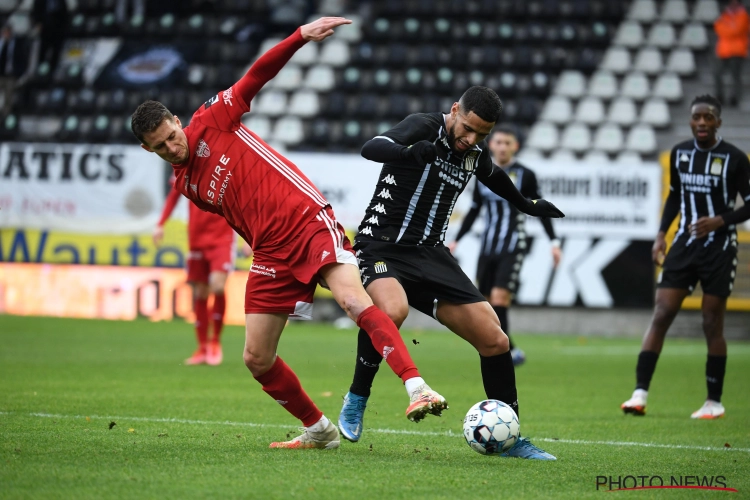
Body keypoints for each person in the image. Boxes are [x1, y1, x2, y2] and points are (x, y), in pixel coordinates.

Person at [131, 17, 447, 450]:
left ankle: (417, 387)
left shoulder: (214, 118)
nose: (172, 147)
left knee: (354, 301)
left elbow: (256, 74)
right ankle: (320, 431)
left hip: (306, 219)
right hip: (270, 251)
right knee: (256, 358)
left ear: (176, 120)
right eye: (160, 146)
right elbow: (237, 213)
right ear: (147, 149)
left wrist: (299, 37)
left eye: (171, 135)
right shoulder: (184, 185)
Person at [337, 86, 565, 460]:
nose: (472, 139)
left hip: (432, 257)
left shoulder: (473, 153)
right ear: (455, 110)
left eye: (482, 135)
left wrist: (528, 204)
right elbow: (372, 147)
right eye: (469, 129)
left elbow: (496, 178)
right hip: (382, 246)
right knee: (392, 310)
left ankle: (510, 438)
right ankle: (356, 398)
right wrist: (409, 152)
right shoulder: (423, 126)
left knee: (495, 340)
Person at [621, 95, 750, 419]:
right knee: (662, 312)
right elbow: (675, 196)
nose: (702, 122)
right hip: (683, 244)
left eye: (709, 117)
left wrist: (720, 220)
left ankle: (714, 401)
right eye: (697, 117)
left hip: (720, 248)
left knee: (711, 322)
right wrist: (661, 234)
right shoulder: (679, 154)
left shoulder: (734, 158)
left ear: (718, 122)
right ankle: (639, 394)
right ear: (691, 121)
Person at [448, 126, 561, 366]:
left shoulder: (525, 175)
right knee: (486, 302)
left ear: (514, 146)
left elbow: (538, 207)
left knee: (500, 298)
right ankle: (508, 347)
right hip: (487, 247)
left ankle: (505, 351)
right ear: (491, 145)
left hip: (513, 245)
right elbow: (475, 209)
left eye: (506, 143)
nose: (501, 147)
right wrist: (457, 239)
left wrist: (554, 241)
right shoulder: (482, 172)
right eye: (497, 142)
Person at [154, 176, 241, 366]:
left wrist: (250, 236)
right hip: (196, 238)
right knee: (200, 292)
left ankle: (215, 342)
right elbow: (174, 195)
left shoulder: (225, 166)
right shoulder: (186, 165)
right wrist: (160, 224)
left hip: (222, 238)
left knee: (217, 287)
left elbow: (243, 200)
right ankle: (202, 348)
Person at [713, 0, 750, 107]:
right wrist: (729, 28)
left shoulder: (743, 16)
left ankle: (735, 97)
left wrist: (726, 29)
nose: (732, 5)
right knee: (717, 73)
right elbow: (717, 27)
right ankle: (719, 96)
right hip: (723, 50)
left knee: (735, 75)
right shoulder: (725, 15)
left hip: (737, 50)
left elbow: (737, 30)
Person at [31, 0, 69, 75]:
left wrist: (64, 28)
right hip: (45, 29)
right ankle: (40, 73)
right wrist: (38, 23)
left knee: (56, 52)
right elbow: (36, 11)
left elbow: (65, 12)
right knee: (43, 52)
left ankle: (52, 72)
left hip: (58, 30)